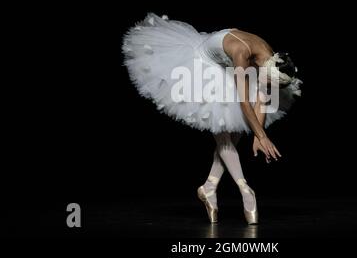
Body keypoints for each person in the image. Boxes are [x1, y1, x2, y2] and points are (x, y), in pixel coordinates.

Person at [122, 13, 301, 224]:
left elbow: (262, 98)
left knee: (237, 133)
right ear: (266, 71)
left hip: (227, 65)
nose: (267, 86)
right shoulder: (242, 53)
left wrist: (258, 134)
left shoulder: (270, 58)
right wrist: (261, 136)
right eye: (268, 82)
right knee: (224, 129)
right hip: (204, 64)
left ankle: (208, 187)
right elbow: (245, 102)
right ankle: (245, 190)